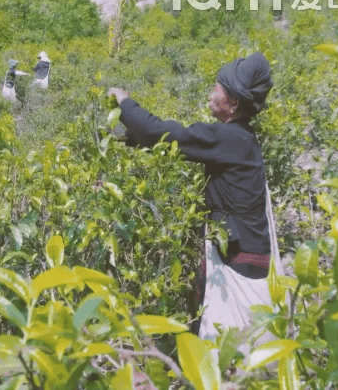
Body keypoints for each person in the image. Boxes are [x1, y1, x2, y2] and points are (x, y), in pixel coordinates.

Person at [107, 52, 282, 344]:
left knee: (229, 351)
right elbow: (179, 143)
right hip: (246, 256)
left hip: (238, 261)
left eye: (217, 88)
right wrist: (133, 138)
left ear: (234, 102)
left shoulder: (230, 139)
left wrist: (124, 103)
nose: (212, 93)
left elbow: (162, 133)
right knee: (238, 350)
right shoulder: (239, 138)